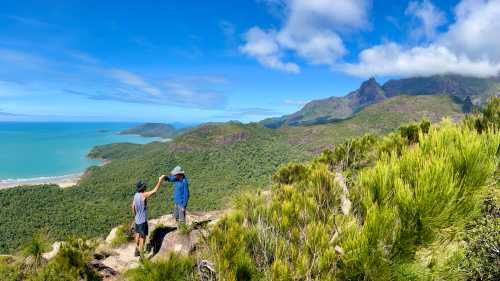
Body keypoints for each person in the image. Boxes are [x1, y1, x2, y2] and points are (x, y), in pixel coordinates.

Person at [132, 175, 165, 257]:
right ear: (143, 188)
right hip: (142, 220)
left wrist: (135, 216)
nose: (145, 186)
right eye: (144, 186)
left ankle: (136, 249)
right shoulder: (144, 195)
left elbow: (132, 206)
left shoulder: (136, 195)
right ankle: (142, 256)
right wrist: (160, 180)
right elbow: (154, 191)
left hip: (137, 219)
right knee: (143, 237)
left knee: (137, 234)